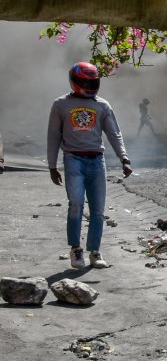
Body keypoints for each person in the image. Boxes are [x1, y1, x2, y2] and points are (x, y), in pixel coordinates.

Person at [47, 62, 133, 269]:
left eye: (93, 82)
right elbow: (53, 136)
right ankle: (76, 249)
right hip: (73, 159)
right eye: (85, 82)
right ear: (75, 81)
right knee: (76, 204)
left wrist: (124, 158)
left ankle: (94, 251)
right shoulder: (60, 105)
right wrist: (52, 166)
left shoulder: (102, 105)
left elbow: (114, 133)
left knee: (98, 210)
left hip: (97, 161)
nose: (89, 86)